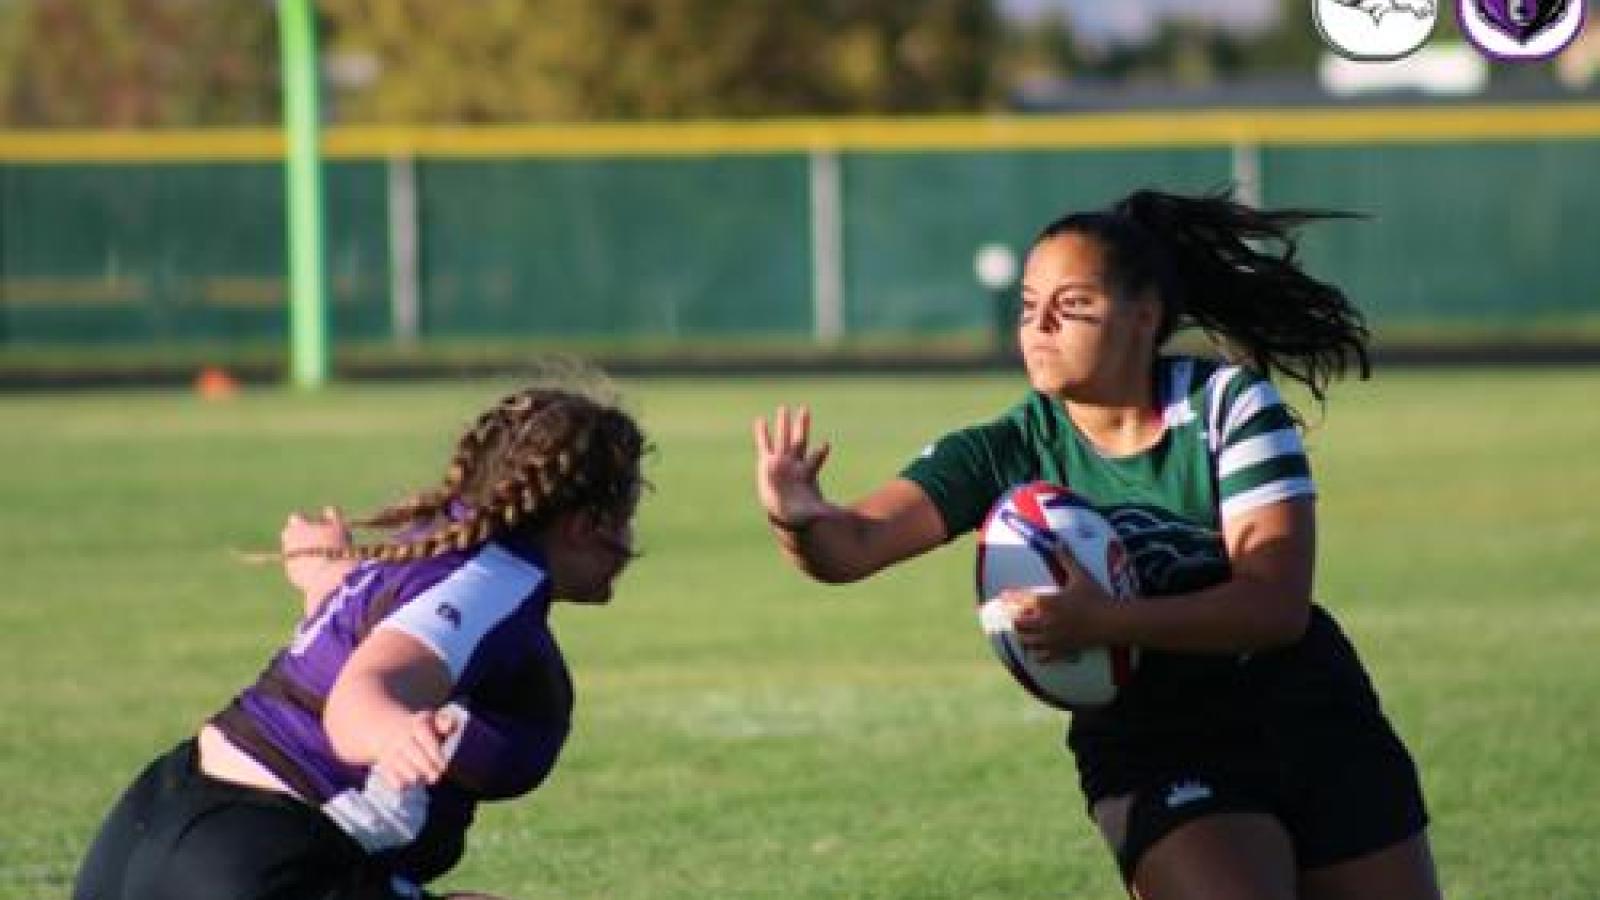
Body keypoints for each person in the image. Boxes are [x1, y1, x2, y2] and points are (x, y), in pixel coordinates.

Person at [753, 189, 1443, 900]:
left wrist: (1105, 623)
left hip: (1310, 714)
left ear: (1144, 318)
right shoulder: (1006, 448)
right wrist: (800, 518)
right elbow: (855, 545)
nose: (1040, 325)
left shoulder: (1229, 408)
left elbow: (1274, 608)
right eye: (1027, 306)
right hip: (1158, 743)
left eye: (1071, 304)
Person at [75, 385, 648, 900]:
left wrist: (324, 575)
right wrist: (394, 730)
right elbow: (357, 698)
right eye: (625, 519)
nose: (630, 543)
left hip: (146, 828)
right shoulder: (498, 582)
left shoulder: (439, 543)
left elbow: (366, 638)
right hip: (254, 858)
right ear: (581, 523)